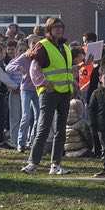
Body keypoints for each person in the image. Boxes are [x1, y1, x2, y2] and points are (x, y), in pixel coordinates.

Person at [25, 17, 78, 175]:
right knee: (44, 128)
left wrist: (73, 80)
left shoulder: (65, 47)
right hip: (49, 93)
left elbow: (65, 69)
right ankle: (33, 163)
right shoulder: (43, 46)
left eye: (61, 27)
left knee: (61, 130)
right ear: (49, 29)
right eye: (55, 27)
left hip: (64, 92)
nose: (59, 30)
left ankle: (55, 165)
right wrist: (42, 82)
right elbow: (34, 68)